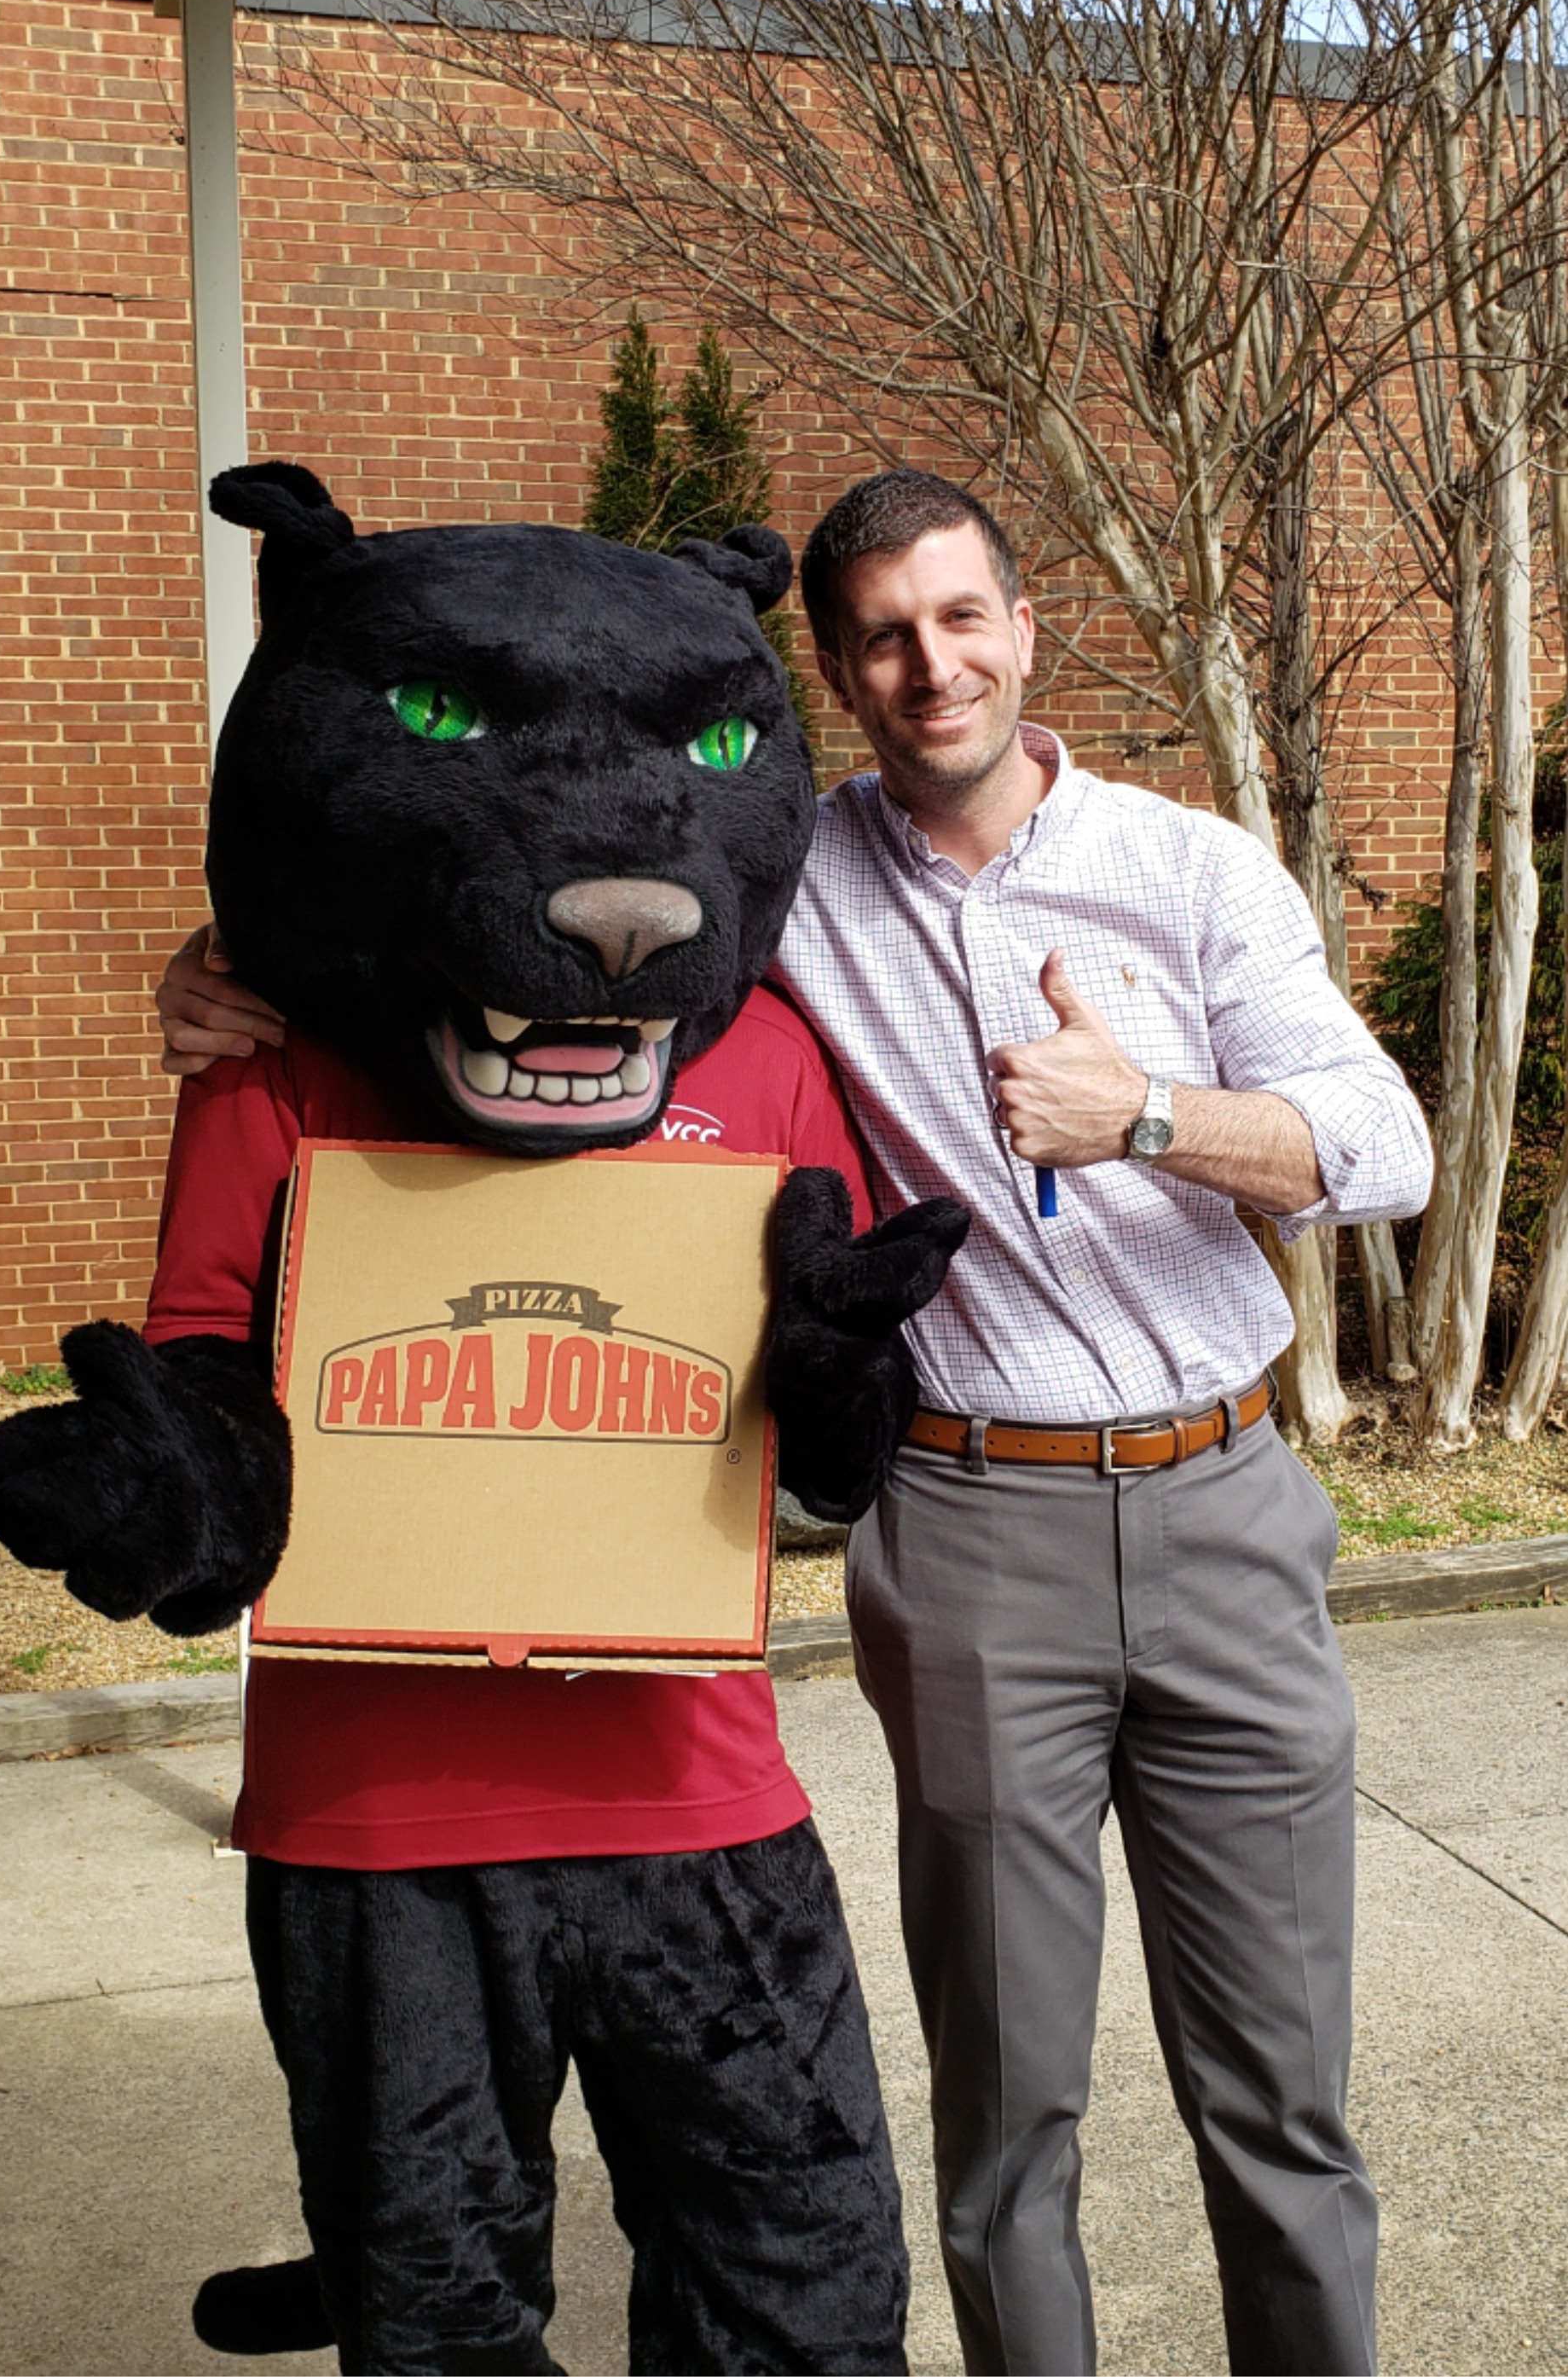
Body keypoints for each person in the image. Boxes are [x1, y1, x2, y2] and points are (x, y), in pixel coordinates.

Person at [159, 468, 1432, 2377]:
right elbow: (444, 883)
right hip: (979, 1524)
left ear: (1023, 619)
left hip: (1224, 1503)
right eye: (885, 638)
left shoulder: (1189, 872)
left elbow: (1387, 1149)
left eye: (963, 616)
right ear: (832, 673)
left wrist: (1144, 1113)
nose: (935, 665)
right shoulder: (787, 872)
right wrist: (222, 973)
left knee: (1279, 2098)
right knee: (1004, 2118)